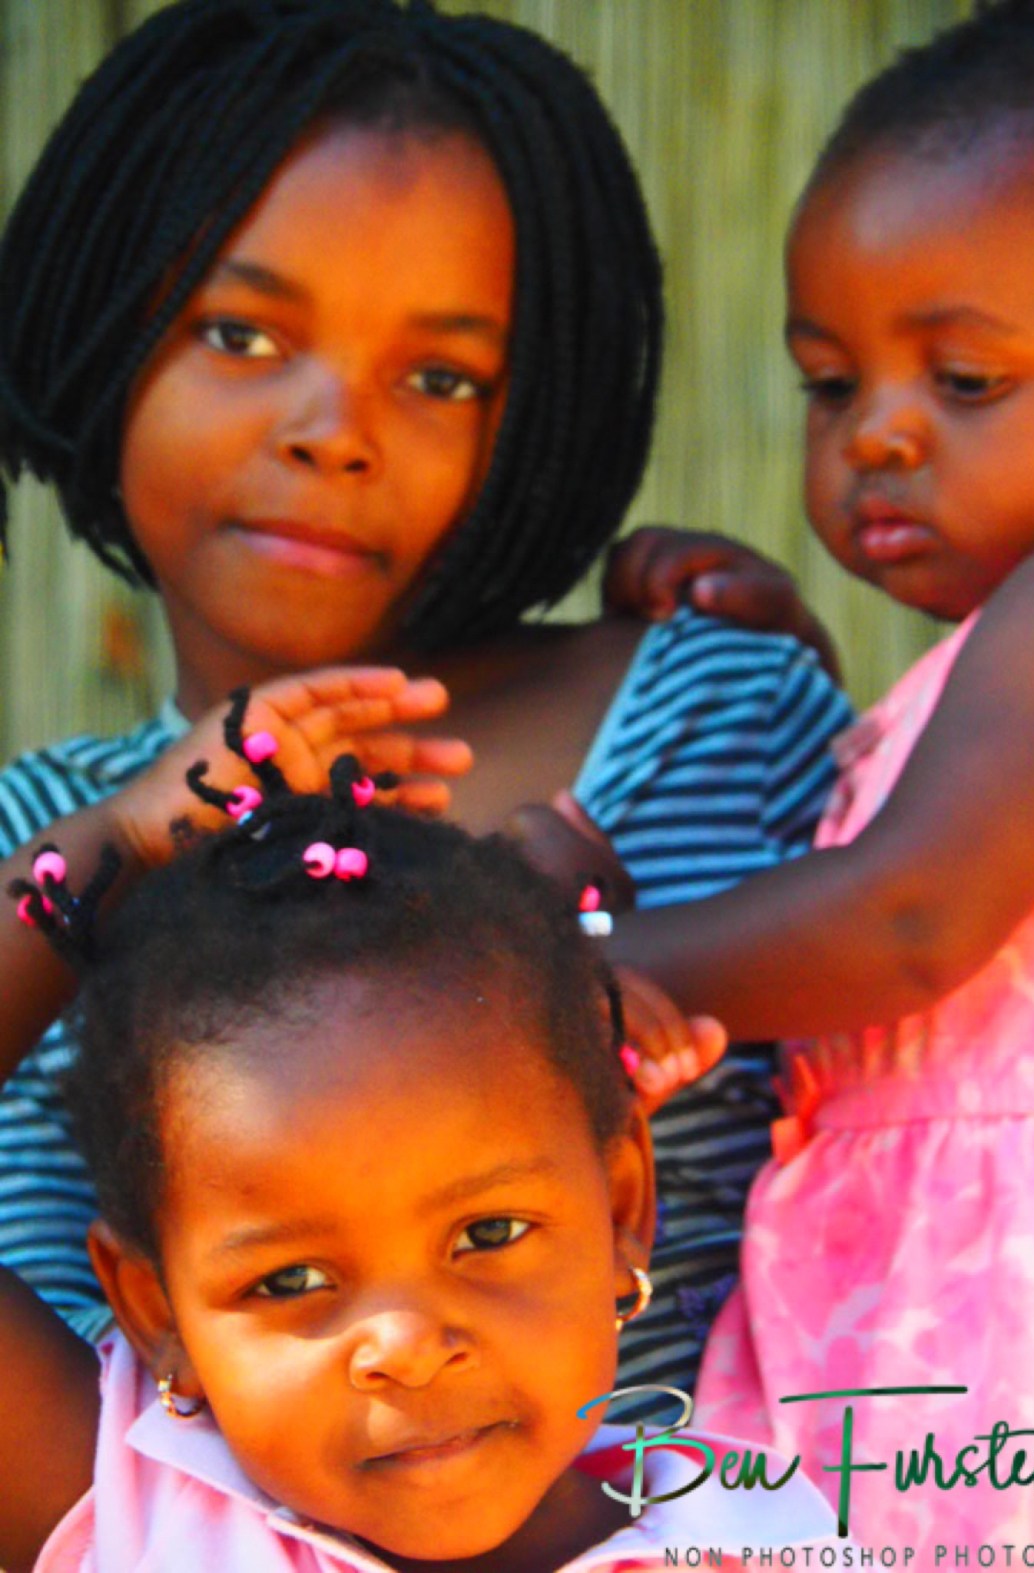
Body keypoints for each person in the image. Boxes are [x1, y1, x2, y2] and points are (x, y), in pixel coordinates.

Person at [0, 0, 852, 1403]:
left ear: (544, 413)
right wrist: (123, 849)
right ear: (102, 318)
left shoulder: (716, 716)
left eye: (442, 377)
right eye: (241, 333)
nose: (334, 429)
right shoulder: (50, 835)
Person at [548, 0, 1034, 1550]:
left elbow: (909, 918)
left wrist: (557, 966)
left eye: (962, 382)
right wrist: (818, 669)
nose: (879, 439)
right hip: (938, 1278)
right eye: (833, 385)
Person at [0, 715, 841, 1573]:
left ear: (621, 1203)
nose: (406, 1347)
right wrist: (119, 840)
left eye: (488, 1233)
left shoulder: (759, 1542)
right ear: (154, 1309)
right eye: (290, 1280)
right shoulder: (127, 1500)